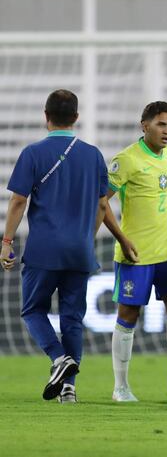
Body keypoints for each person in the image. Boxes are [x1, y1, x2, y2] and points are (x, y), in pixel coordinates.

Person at [1, 89, 108, 403]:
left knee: (33, 310)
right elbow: (103, 205)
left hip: (44, 249)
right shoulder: (93, 155)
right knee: (72, 318)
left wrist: (6, 242)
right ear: (76, 118)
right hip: (80, 250)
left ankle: (58, 359)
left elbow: (19, 200)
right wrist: (86, 241)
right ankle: (69, 389)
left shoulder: (33, 153)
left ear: (45, 116)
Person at [104, 101, 167, 403]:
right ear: (144, 125)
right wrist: (123, 239)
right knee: (128, 315)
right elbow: (101, 202)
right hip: (135, 253)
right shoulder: (126, 160)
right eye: (162, 124)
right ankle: (120, 387)